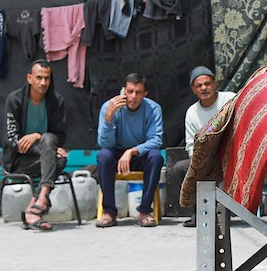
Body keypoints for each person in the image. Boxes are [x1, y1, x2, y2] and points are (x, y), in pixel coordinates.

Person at [3, 59, 68, 232]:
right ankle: (40, 202)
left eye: (47, 78)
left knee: (54, 149)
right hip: (19, 160)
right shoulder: (14, 100)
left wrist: (39, 138)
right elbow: (13, 140)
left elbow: (60, 135)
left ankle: (36, 205)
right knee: (55, 156)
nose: (43, 82)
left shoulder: (56, 101)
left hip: (44, 158)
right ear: (29, 78)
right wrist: (44, 146)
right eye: (39, 77)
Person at [170, 66, 236, 227]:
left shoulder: (230, 99)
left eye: (207, 83)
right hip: (205, 159)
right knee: (180, 168)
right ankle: (199, 214)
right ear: (193, 89)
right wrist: (199, 165)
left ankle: (232, 211)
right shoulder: (192, 112)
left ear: (214, 84)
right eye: (199, 86)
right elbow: (190, 144)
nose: (204, 88)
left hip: (231, 154)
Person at [96, 72, 164, 228]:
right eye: (130, 91)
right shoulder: (109, 107)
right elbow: (105, 144)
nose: (133, 96)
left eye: (138, 92)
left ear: (144, 94)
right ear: (123, 91)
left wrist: (131, 151)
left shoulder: (153, 108)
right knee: (103, 156)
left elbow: (156, 140)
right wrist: (108, 119)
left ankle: (145, 212)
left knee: (156, 157)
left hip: (140, 154)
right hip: (116, 153)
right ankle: (109, 212)